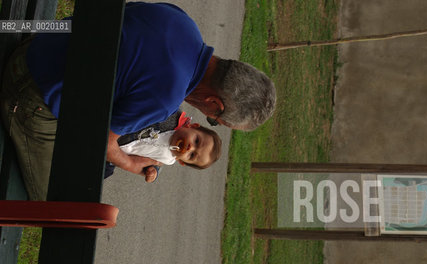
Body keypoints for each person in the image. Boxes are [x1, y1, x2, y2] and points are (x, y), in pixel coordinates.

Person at [0, 2, 276, 200]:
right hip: (29, 91)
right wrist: (130, 163)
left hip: (45, 45)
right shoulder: (165, 98)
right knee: (61, 202)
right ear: (215, 103)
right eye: (214, 119)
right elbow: (103, 144)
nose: (208, 117)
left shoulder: (182, 22)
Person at [106, 111, 222, 183]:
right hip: (120, 129)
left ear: (181, 161)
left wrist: (153, 172)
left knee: (106, 172)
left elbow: (156, 164)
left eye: (192, 155)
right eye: (196, 141)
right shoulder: (171, 118)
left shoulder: (169, 158)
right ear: (193, 126)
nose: (190, 148)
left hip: (117, 153)